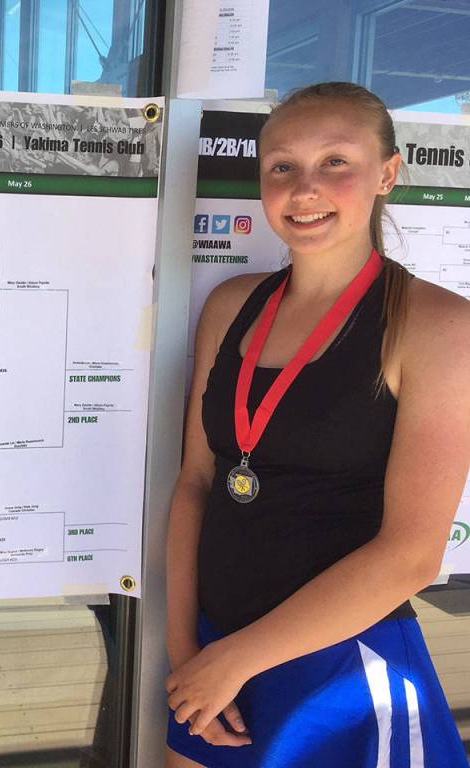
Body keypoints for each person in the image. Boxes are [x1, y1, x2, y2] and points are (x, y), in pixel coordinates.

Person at [165, 82, 470, 767]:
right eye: (282, 167)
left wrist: (231, 661)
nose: (305, 188)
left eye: (336, 161)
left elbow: (414, 555)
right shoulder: (231, 305)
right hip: (215, 659)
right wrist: (188, 652)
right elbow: (196, 481)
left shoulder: (439, 328)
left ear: (388, 173)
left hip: (342, 670)